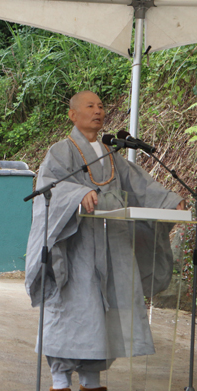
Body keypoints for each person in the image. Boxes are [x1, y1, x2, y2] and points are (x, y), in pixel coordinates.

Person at [25, 91, 185, 391]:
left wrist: (168, 201)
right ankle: (60, 379)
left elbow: (139, 184)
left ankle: (91, 379)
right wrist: (77, 194)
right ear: (73, 115)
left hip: (111, 246)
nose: (98, 110)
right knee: (71, 309)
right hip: (76, 249)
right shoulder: (61, 151)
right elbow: (49, 187)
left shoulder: (111, 154)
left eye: (101, 105)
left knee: (101, 312)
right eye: (90, 106)